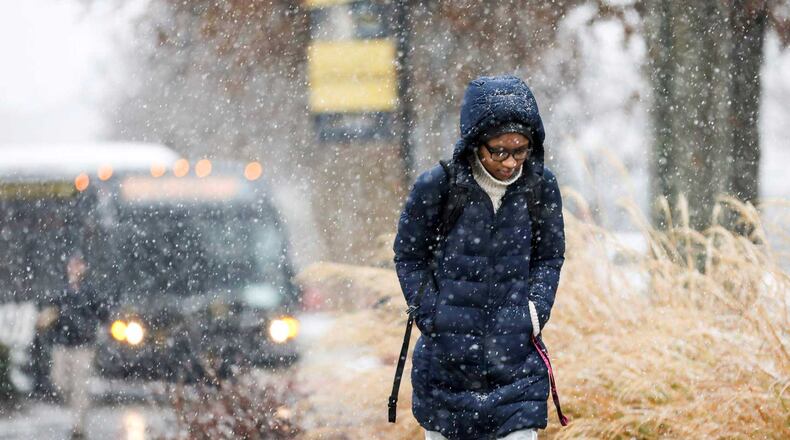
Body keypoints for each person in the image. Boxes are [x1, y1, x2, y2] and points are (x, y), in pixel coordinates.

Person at [393, 75, 566, 439]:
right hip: (446, 375)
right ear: (475, 144)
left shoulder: (541, 188)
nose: (509, 162)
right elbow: (408, 257)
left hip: (516, 371)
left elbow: (550, 256)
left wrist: (533, 313)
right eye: (499, 150)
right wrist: (433, 316)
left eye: (520, 150)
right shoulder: (437, 187)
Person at [42, 251, 109, 439]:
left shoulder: (90, 291)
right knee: (59, 381)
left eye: (78, 264)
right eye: (72, 264)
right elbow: (50, 311)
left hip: (83, 346)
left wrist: (95, 322)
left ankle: (78, 427)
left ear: (84, 267)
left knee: (80, 385)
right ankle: (77, 403)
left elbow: (102, 312)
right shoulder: (60, 289)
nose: (74, 268)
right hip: (62, 344)